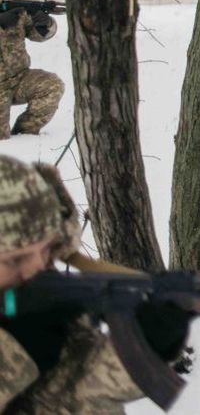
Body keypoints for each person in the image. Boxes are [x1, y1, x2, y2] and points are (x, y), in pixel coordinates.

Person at [0, 155, 189, 413]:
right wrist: (16, 353)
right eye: (15, 259)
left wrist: (145, 344)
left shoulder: (27, 300)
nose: (36, 268)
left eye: (45, 250)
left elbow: (79, 394)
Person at [0, 0, 64, 140]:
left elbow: (39, 35)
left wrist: (45, 22)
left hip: (18, 78)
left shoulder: (15, 12)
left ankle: (25, 134)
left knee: (52, 85)